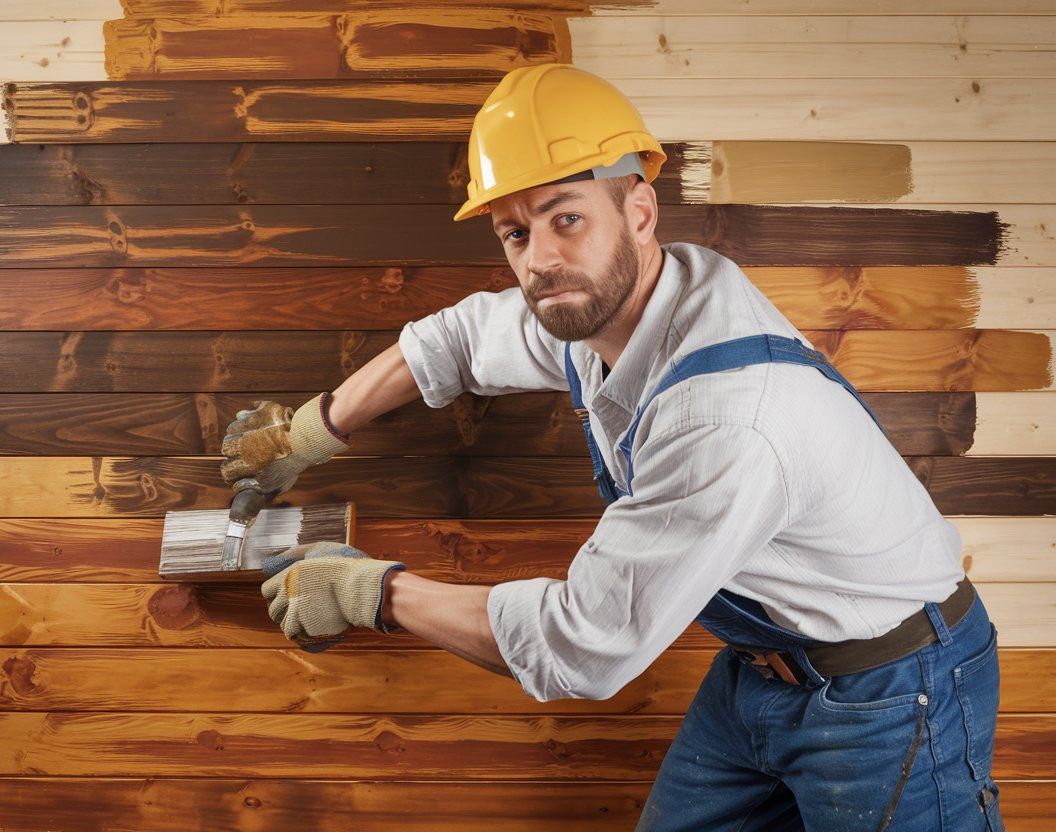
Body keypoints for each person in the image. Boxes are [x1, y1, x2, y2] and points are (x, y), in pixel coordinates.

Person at [222, 63, 1004, 831]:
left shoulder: (723, 417)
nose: (540, 260)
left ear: (639, 212)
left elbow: (583, 645)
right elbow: (459, 339)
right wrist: (308, 431)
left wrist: (373, 593)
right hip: (763, 669)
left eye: (567, 218)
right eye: (516, 234)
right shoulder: (608, 306)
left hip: (896, 689)